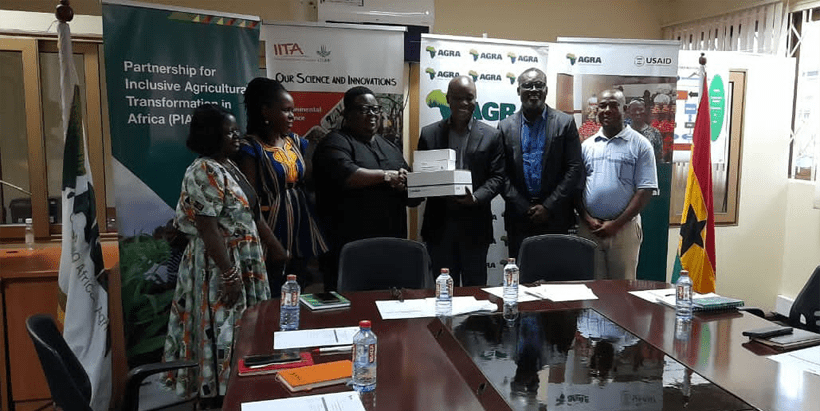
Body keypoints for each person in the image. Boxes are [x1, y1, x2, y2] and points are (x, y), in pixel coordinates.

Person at [163, 104, 287, 406]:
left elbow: (252, 214)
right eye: (230, 132)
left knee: (244, 331)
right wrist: (231, 276)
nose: (238, 138)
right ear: (211, 136)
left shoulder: (228, 166)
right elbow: (208, 228)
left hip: (244, 262)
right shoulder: (202, 169)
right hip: (218, 266)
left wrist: (277, 249)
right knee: (223, 332)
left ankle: (240, 390)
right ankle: (217, 397)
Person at [312, 86, 419, 291]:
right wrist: (387, 176)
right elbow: (350, 176)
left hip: (391, 246)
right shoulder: (334, 143)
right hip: (349, 248)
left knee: (389, 304)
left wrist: (415, 185)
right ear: (347, 113)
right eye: (364, 110)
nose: (371, 115)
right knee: (350, 308)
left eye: (375, 109)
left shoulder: (390, 146)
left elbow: (408, 188)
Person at [237, 78, 328, 292]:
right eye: (286, 110)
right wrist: (273, 245)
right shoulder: (249, 148)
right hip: (271, 227)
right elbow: (248, 202)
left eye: (293, 111)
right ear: (265, 111)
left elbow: (310, 181)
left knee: (301, 286)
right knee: (272, 289)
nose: (291, 116)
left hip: (301, 224)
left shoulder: (296, 142)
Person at [418, 76, 505, 286]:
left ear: (476, 100)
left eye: (469, 98)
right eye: (458, 98)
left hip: (475, 227)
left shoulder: (491, 135)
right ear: (448, 99)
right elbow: (421, 174)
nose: (464, 103)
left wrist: (476, 198)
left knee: (476, 291)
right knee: (442, 291)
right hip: (439, 227)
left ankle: (476, 322)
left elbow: (498, 176)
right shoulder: (429, 134)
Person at [498, 67, 584, 259]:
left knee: (555, 278)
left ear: (546, 90)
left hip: (556, 216)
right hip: (519, 218)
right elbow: (501, 173)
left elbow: (574, 168)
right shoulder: (505, 126)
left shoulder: (565, 122)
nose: (534, 89)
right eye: (528, 85)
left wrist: (548, 206)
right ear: (518, 90)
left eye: (539, 85)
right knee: (521, 277)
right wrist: (523, 206)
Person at [578, 89, 658, 280]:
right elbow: (576, 187)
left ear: (625, 109)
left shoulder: (641, 145)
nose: (607, 110)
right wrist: (587, 219)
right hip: (590, 229)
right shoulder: (587, 146)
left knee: (622, 291)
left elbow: (645, 190)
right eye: (602, 106)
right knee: (590, 290)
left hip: (624, 230)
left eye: (613, 105)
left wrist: (616, 224)